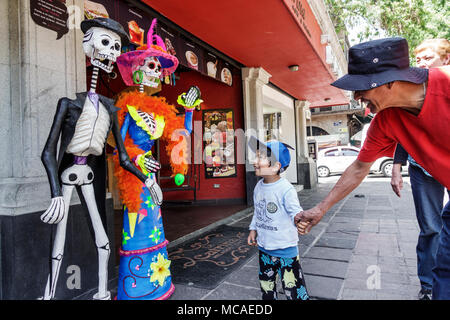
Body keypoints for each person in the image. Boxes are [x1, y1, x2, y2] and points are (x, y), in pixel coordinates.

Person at [295, 37, 450, 300]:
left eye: (361, 88)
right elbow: (358, 168)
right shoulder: (385, 120)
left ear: (389, 81)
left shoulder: (445, 82)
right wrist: (321, 208)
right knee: (444, 270)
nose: (357, 98)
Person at [390, 38, 450, 300]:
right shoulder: (412, 88)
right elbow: (406, 128)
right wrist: (396, 164)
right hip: (421, 167)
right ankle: (428, 286)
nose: (421, 63)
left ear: (446, 60)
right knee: (431, 228)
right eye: (419, 59)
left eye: (428, 58)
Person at [247, 136, 310, 300]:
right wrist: (253, 229)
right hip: (265, 249)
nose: (255, 161)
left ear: (276, 166)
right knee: (266, 288)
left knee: (293, 288)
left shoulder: (285, 189)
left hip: (285, 251)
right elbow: (258, 211)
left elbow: (295, 211)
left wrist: (300, 220)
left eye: (260, 157)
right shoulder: (258, 187)